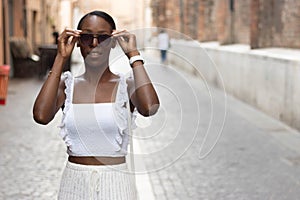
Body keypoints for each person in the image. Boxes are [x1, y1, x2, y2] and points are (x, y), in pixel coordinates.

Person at [33, 10, 159, 200]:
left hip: (117, 185)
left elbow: (150, 107)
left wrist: (133, 55)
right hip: (74, 185)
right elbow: (41, 116)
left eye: (103, 38)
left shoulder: (126, 85)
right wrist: (60, 58)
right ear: (77, 42)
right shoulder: (67, 86)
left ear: (113, 41)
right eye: (86, 37)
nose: (94, 44)